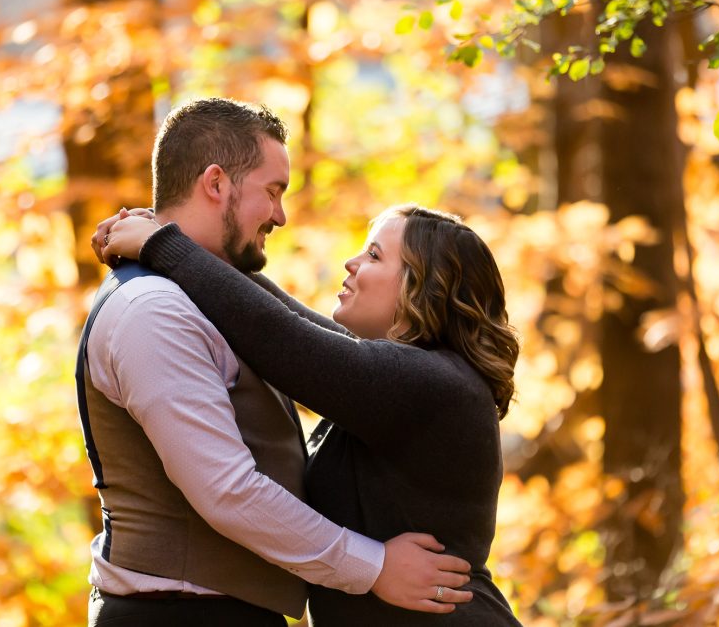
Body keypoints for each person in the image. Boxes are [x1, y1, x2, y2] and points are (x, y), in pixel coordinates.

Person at [77, 97, 474, 627]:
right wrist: (374, 566)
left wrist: (163, 241)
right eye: (273, 191)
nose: (282, 216)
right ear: (216, 184)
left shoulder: (207, 299)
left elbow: (307, 344)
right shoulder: (155, 310)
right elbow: (228, 491)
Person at [100, 203, 523, 625]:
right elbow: (287, 321)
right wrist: (172, 237)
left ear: (426, 287)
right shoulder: (402, 388)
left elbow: (285, 340)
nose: (351, 263)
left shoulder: (437, 386)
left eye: (374, 255)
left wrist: (162, 244)